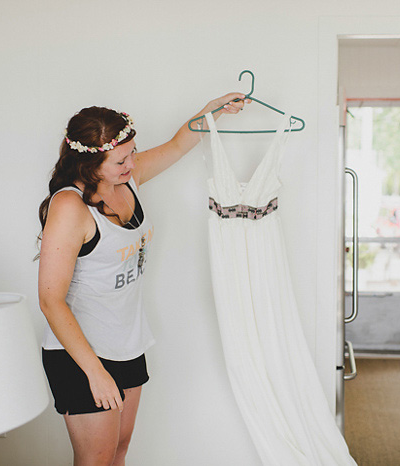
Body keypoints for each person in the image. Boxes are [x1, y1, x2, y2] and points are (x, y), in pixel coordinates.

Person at [37, 93, 247, 466]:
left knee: (118, 453)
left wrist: (212, 110)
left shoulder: (127, 180)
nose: (132, 164)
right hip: (82, 354)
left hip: (126, 343)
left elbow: (179, 144)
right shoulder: (70, 207)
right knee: (95, 461)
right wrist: (95, 371)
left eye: (133, 153)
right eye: (121, 160)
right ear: (90, 164)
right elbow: (50, 301)